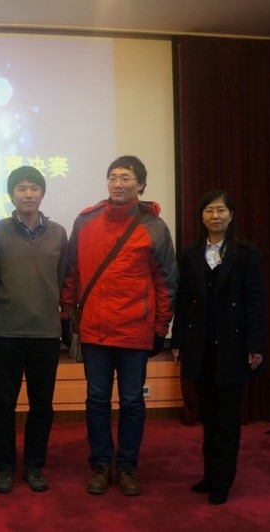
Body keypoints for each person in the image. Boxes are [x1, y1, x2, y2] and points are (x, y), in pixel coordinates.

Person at [61, 155, 178, 497]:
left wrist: (161, 327)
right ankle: (100, 465)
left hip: (135, 331)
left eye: (126, 177)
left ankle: (126, 466)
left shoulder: (154, 226)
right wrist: (66, 315)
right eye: (113, 177)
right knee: (96, 400)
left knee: (132, 401)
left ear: (141, 185)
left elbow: (167, 282)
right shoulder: (85, 221)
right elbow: (71, 273)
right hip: (95, 330)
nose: (118, 183)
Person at [170, 189, 265, 505]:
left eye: (221, 210)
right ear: (202, 216)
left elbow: (255, 300)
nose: (215, 216)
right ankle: (210, 475)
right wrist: (177, 340)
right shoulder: (192, 254)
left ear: (231, 215)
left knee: (227, 419)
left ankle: (223, 482)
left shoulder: (246, 253)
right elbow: (183, 302)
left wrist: (255, 343)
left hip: (233, 347)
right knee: (208, 418)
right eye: (209, 210)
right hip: (200, 347)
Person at [0, 166, 68, 494]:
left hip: (46, 333)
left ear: (42, 193)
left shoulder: (58, 233)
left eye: (34, 188)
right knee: (4, 405)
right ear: (11, 195)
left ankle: (34, 465)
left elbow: (62, 277)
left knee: (42, 405)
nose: (28, 194)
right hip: (7, 333)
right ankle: (4, 467)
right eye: (21, 188)